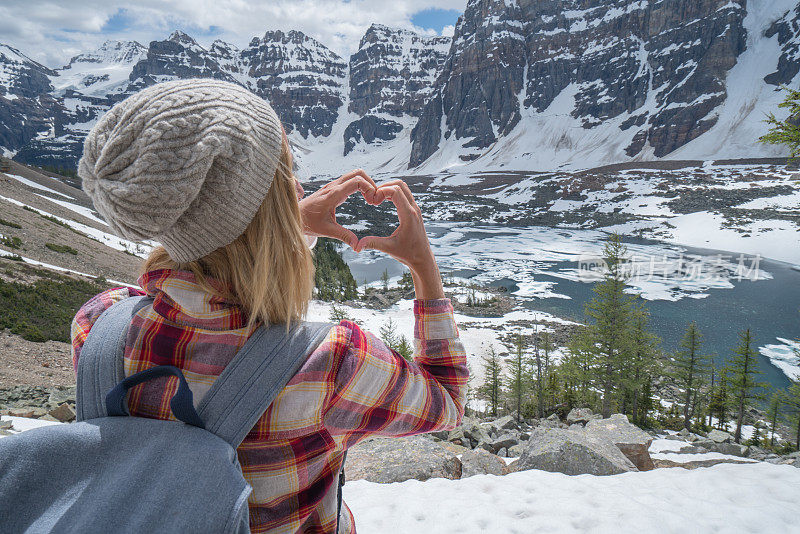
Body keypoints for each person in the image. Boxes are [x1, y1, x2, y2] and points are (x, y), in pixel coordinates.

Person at [71, 78, 468, 534]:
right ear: (268, 205)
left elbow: (211, 262)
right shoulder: (333, 361)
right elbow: (448, 399)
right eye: (286, 172)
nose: (299, 187)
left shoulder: (98, 324)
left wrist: (278, 228)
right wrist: (424, 267)